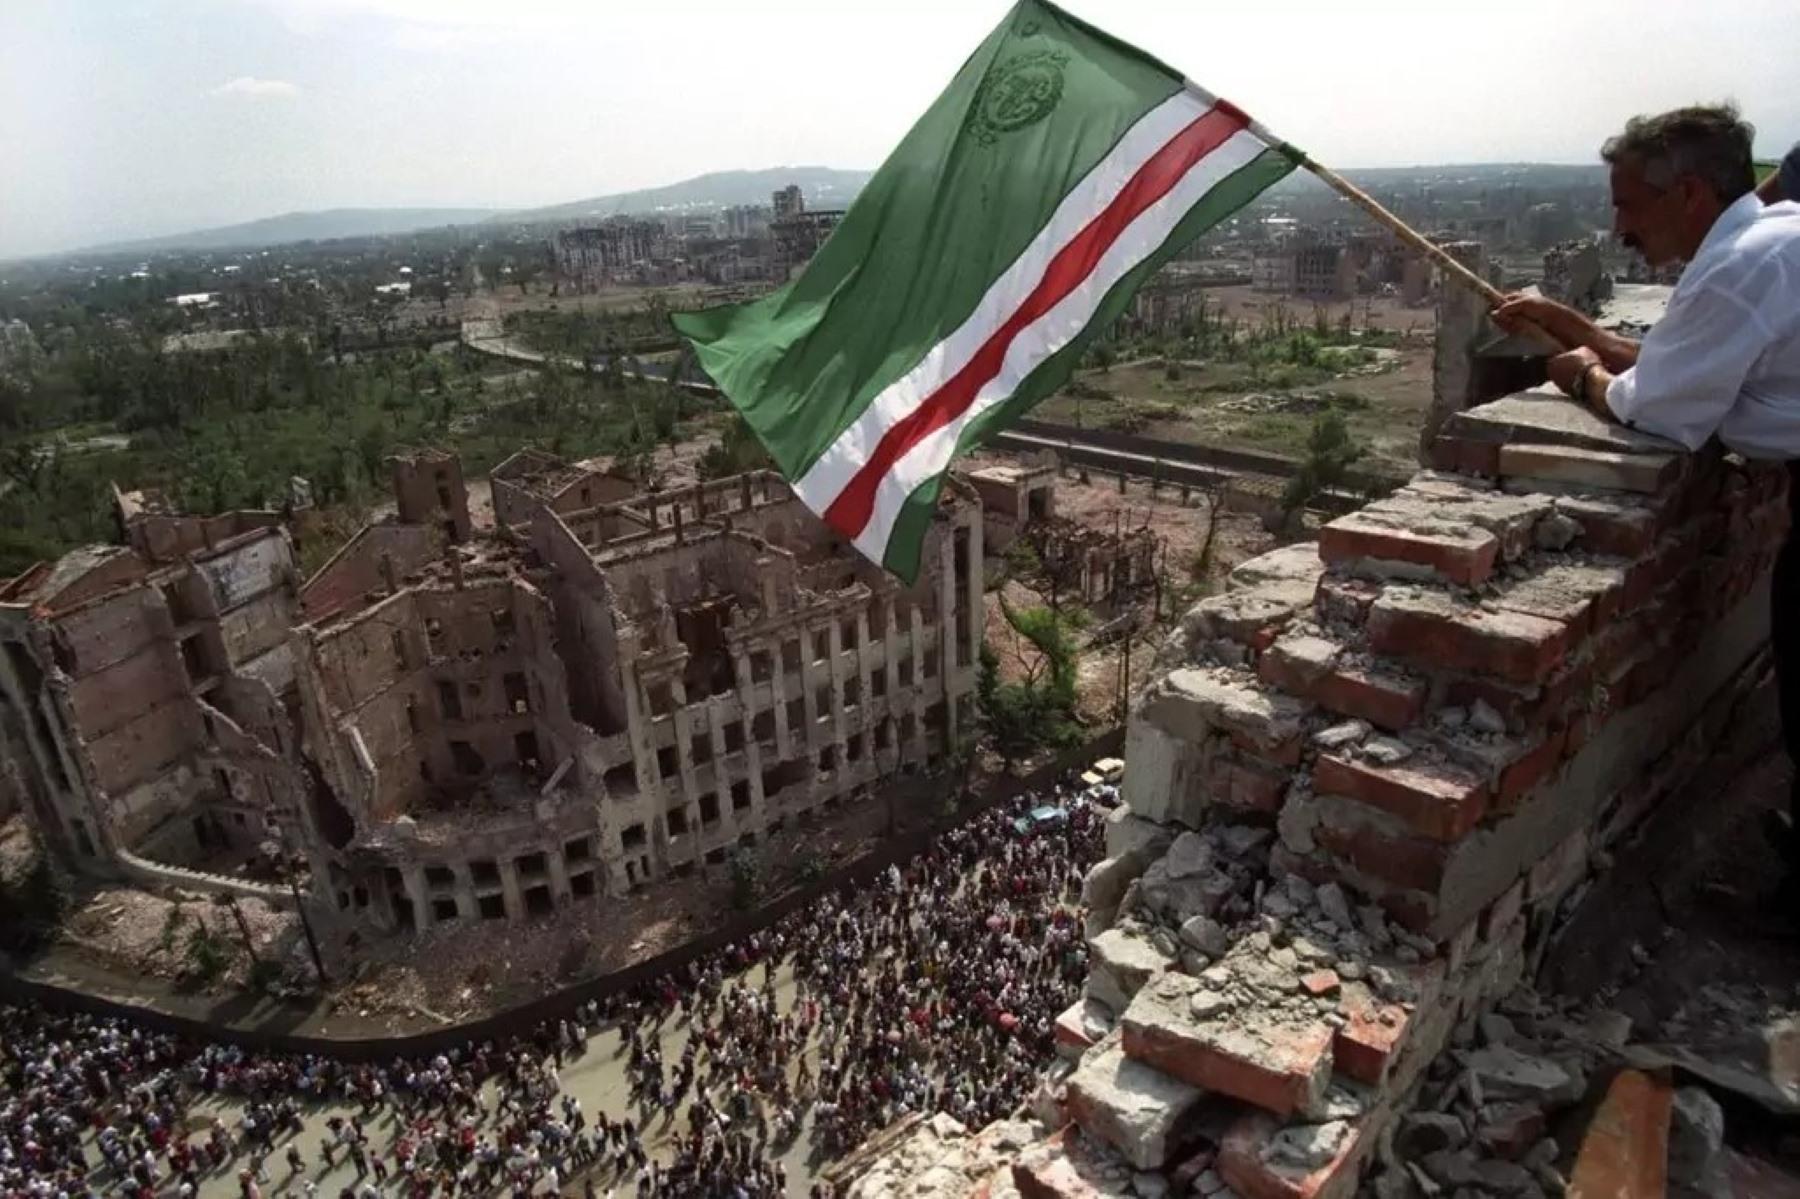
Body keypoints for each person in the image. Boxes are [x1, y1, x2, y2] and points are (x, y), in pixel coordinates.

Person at [1493, 103, 1800, 898]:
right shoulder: (1767, 242)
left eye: (1629, 203)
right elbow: (1687, 362)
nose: (1621, 227)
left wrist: (1579, 375)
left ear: (1690, 193)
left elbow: (1658, 406)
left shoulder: (1739, 268)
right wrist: (1572, 323)